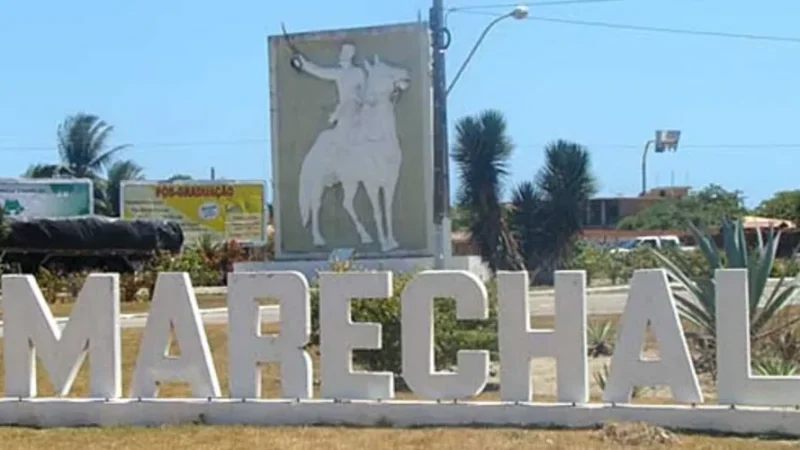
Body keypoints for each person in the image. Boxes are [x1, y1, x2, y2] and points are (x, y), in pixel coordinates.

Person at [292, 43, 366, 128]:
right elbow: (320, 72)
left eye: (345, 52)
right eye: (342, 52)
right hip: (344, 110)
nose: (341, 55)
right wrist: (304, 64)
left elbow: (365, 90)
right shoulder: (339, 72)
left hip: (355, 109)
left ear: (351, 55)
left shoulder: (358, 72)